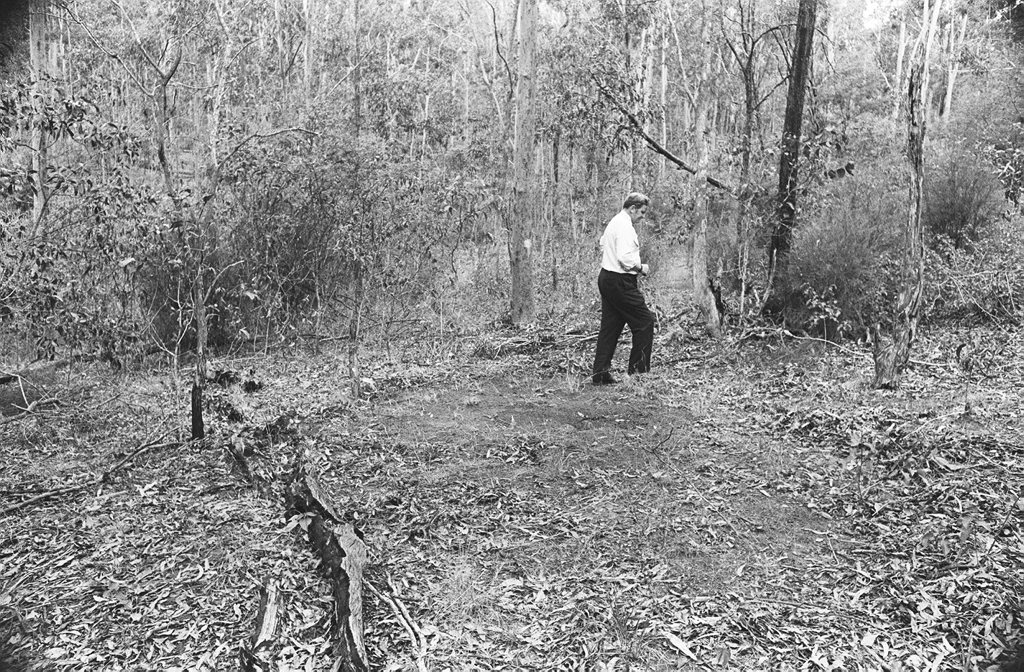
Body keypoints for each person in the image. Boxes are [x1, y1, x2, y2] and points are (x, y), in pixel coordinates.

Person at [592, 192, 656, 385]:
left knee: (610, 326)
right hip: (620, 281)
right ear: (632, 208)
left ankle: (600, 374)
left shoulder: (615, 221)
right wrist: (640, 268)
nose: (643, 216)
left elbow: (603, 244)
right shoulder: (625, 226)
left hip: (607, 278)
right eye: (642, 212)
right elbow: (625, 258)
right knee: (645, 322)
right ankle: (637, 376)